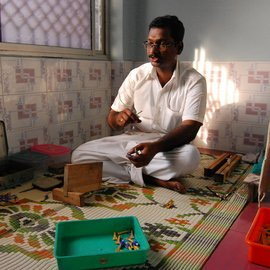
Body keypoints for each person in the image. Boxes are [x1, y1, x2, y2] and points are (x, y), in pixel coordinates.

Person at [71, 15, 207, 193]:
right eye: (150, 43)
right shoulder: (137, 75)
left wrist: (154, 148)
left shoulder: (194, 80)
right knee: (79, 155)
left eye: (162, 43)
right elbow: (112, 119)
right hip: (132, 143)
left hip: (167, 147)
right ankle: (150, 177)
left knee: (190, 157)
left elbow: (190, 129)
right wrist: (120, 119)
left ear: (179, 47)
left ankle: (131, 172)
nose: (153, 51)